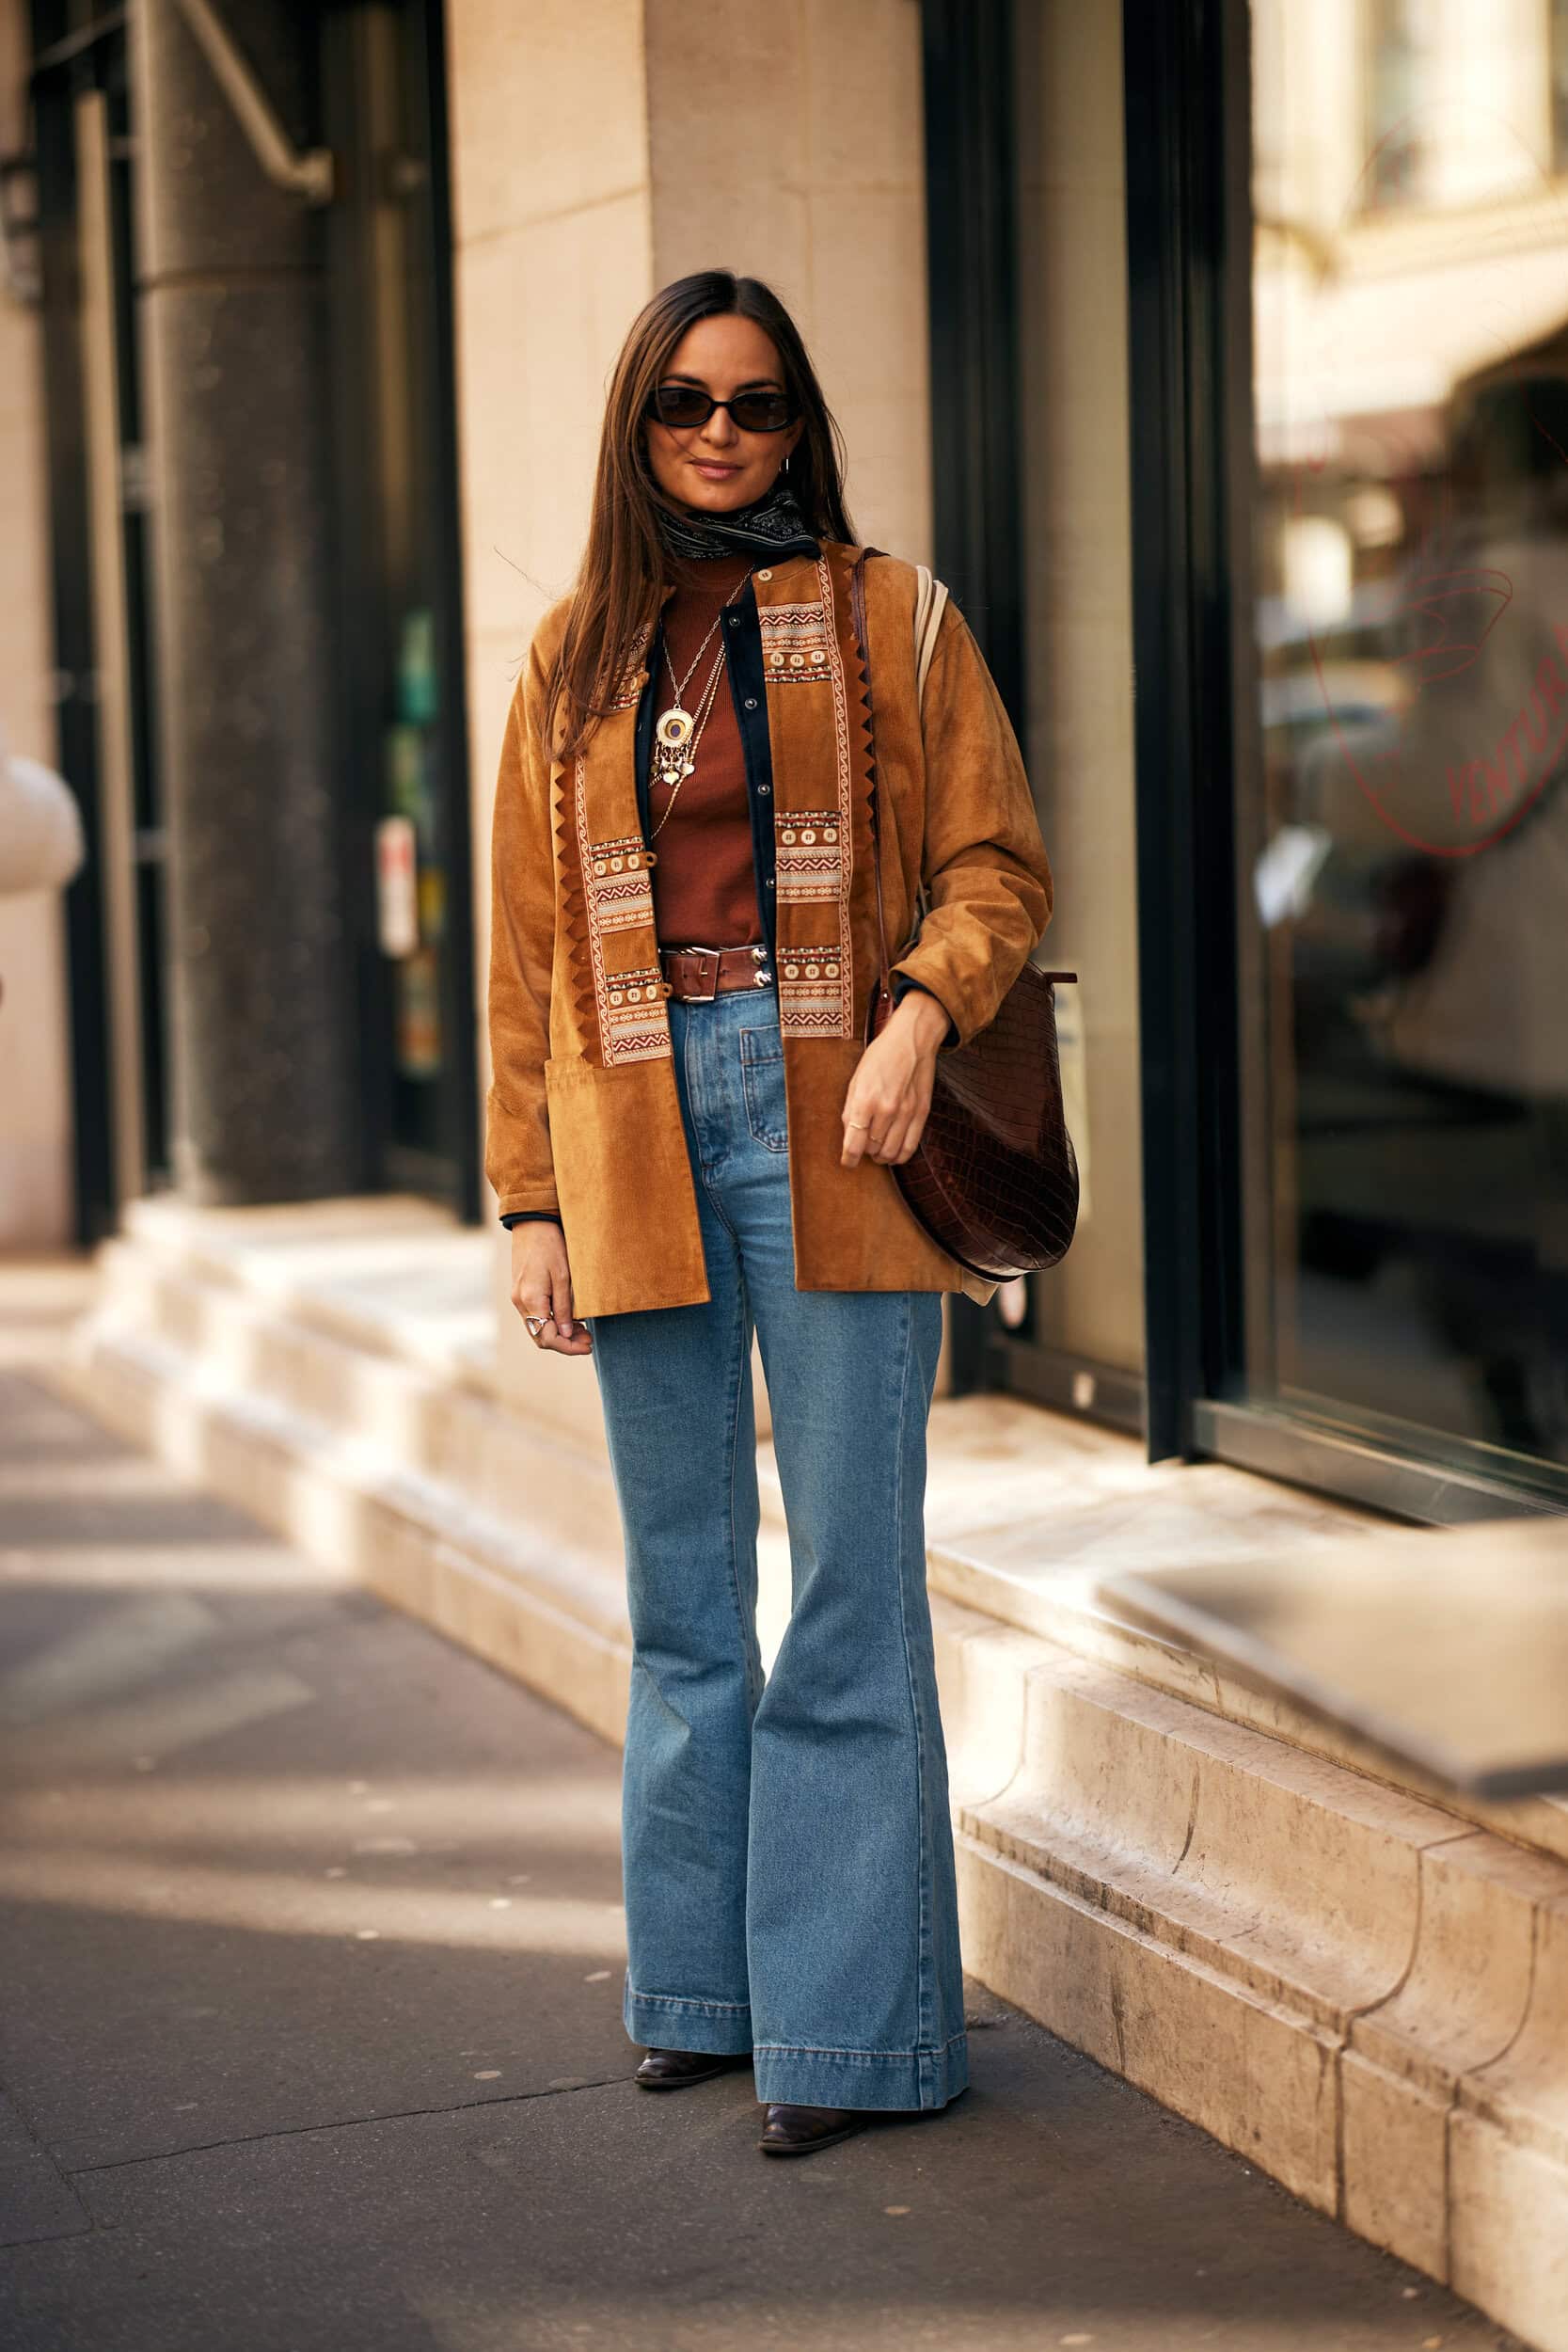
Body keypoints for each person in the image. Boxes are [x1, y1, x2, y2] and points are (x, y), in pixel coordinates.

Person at [485, 269, 1053, 2158]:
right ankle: (706, 1992)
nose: (721, 432)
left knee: (849, 1599)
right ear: (638, 427)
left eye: (755, 401)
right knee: (681, 1594)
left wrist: (918, 1008)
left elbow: (997, 871)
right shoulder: (573, 660)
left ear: (801, 420)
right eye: (684, 404)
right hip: (634, 1134)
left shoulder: (899, 618)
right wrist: (528, 1199)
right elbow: (527, 957)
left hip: (845, 1127)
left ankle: (849, 2028)